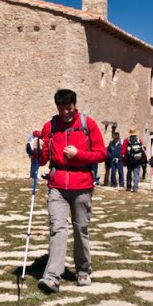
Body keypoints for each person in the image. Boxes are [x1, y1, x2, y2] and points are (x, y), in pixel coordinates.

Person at [33, 89, 107, 294]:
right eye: (61, 108)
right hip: (57, 185)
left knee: (80, 229)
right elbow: (44, 158)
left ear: (75, 105)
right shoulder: (51, 126)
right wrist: (35, 151)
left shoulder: (87, 124)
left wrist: (78, 155)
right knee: (57, 228)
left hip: (82, 185)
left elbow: (101, 153)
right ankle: (52, 277)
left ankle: (83, 270)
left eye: (69, 108)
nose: (65, 112)